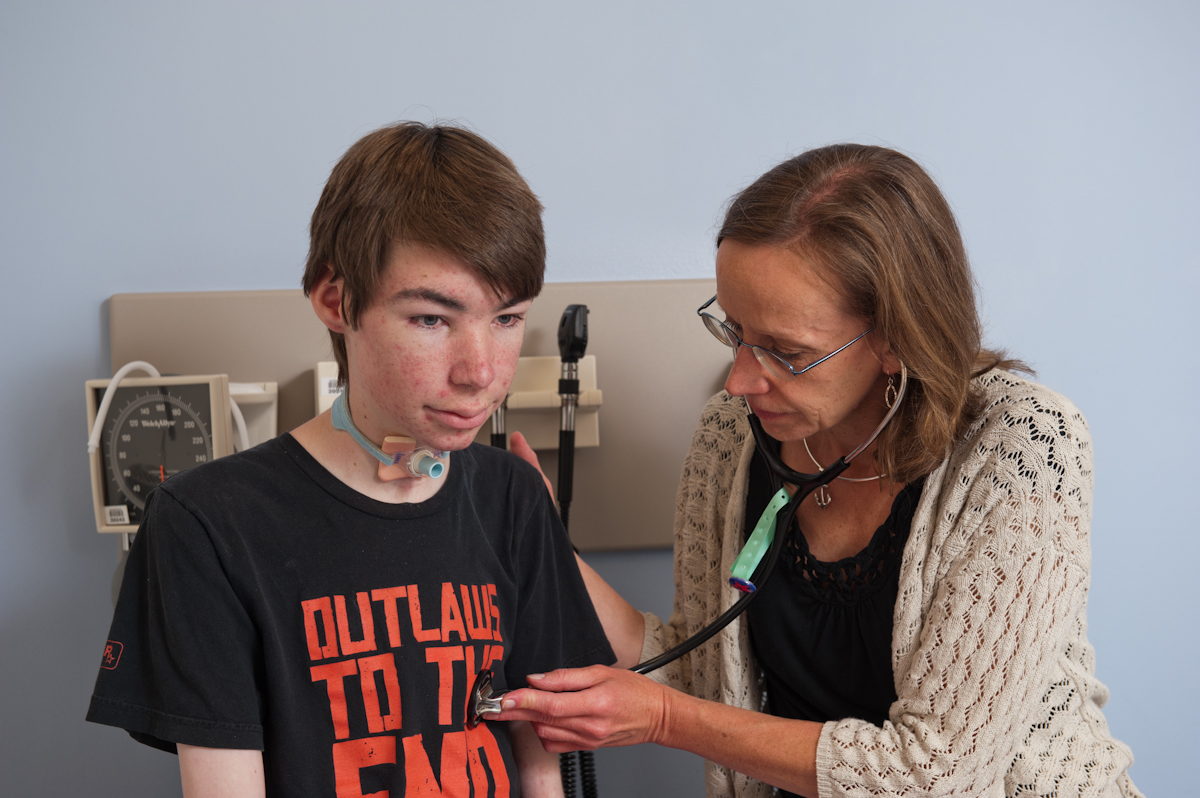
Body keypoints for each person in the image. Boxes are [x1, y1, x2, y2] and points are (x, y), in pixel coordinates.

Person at [495, 144, 1142, 797]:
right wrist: (544, 542)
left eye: (786, 352)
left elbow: (939, 771)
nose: (743, 379)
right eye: (735, 331)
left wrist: (662, 718)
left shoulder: (1018, 448)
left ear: (895, 338)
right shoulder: (730, 438)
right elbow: (701, 669)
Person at [86, 121, 614, 797]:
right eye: (431, 319)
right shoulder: (208, 525)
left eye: (507, 318)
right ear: (336, 301)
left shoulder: (511, 498)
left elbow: (540, 751)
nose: (480, 371)